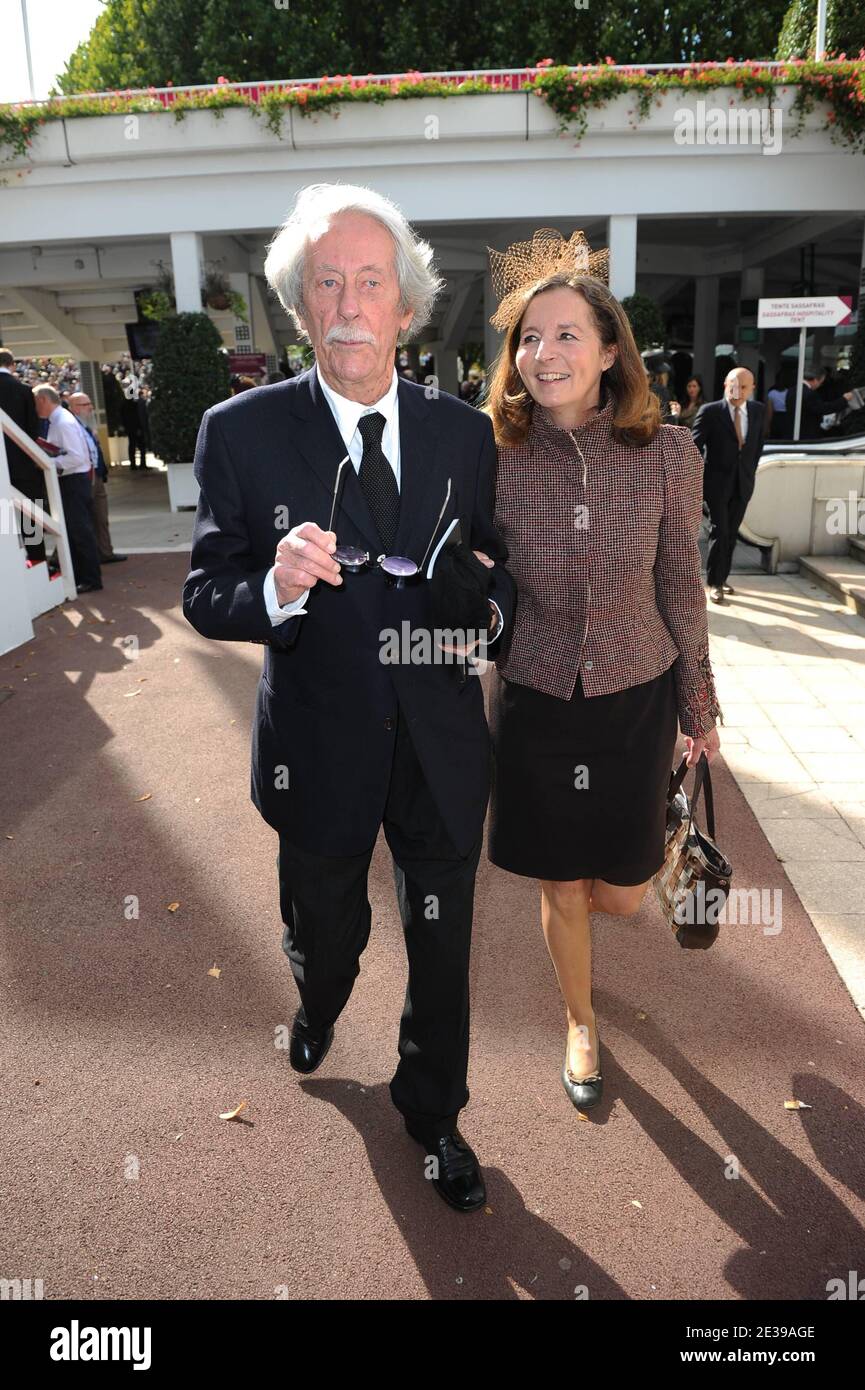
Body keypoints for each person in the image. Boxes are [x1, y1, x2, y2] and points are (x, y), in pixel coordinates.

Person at [182, 183, 515, 1213]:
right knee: (329, 932)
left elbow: (497, 580)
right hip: (315, 748)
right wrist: (274, 585)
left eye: (371, 281)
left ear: (405, 308)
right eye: (327, 281)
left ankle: (434, 1112)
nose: (349, 302)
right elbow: (205, 590)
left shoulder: (465, 435)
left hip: (440, 740)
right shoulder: (237, 431)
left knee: (440, 938)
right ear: (298, 307)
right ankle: (316, 992)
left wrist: (487, 609)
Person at [475, 230, 721, 1115]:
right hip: (538, 696)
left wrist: (698, 704)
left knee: (619, 895)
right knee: (560, 881)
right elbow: (466, 567)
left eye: (566, 334)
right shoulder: (493, 455)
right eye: (528, 339)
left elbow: (679, 584)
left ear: (611, 349)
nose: (543, 354)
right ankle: (579, 1021)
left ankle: (643, 849)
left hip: (635, 694)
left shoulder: (666, 452)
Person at [692, 367, 766, 603]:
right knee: (720, 530)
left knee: (732, 534)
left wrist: (750, 473)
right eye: (733, 385)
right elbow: (694, 447)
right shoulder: (711, 411)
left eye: (744, 386)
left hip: (743, 483)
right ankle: (714, 583)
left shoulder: (758, 411)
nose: (738, 391)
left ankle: (722, 578)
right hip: (716, 483)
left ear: (752, 388)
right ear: (725, 384)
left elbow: (757, 446)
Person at [33, 384, 103, 593]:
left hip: (74, 481)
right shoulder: (59, 420)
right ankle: (84, 576)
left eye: (35, 402)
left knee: (80, 531)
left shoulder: (62, 422)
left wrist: (47, 462)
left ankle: (91, 578)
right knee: (75, 531)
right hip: (72, 481)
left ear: (44, 400)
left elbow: (76, 457)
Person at [68, 392, 127, 565]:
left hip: (96, 476)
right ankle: (63, 557)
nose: (91, 408)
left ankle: (105, 552)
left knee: (101, 517)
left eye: (90, 403)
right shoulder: (71, 426)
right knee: (80, 520)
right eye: (86, 404)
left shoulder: (86, 426)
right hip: (83, 477)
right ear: (74, 408)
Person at [0, 348, 47, 565]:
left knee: (4, 520)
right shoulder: (23, 390)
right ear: (12, 365)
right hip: (22, 466)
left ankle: (9, 561)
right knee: (29, 517)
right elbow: (33, 431)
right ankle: (37, 560)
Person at [797, 366, 854, 441]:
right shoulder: (809, 394)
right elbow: (824, 408)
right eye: (821, 383)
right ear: (815, 380)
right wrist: (844, 399)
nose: (820, 385)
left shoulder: (792, 390)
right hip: (807, 435)